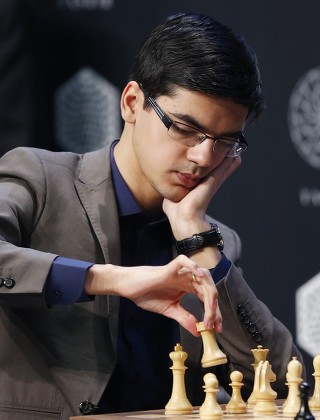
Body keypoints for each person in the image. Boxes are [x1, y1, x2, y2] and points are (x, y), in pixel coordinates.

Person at [0, 12, 303, 420]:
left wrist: (198, 237)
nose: (203, 158)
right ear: (131, 103)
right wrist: (113, 279)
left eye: (225, 141)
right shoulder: (40, 180)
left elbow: (286, 387)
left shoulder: (216, 245)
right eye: (183, 128)